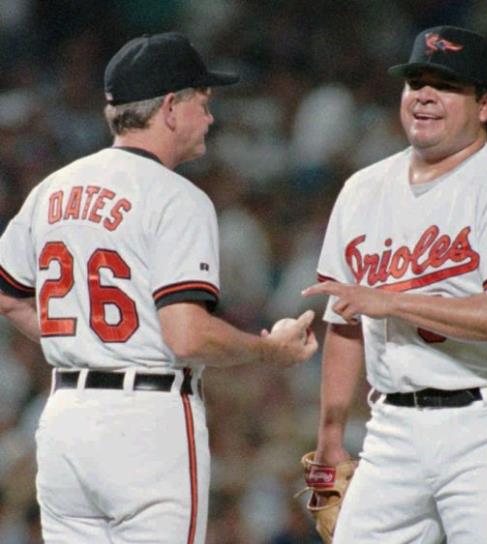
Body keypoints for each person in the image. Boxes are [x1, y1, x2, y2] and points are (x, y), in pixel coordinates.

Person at [0, 31, 317, 544]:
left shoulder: (52, 189)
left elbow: (8, 294)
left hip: (64, 421)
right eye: (203, 101)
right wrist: (268, 350)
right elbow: (187, 336)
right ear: (170, 107)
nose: (210, 116)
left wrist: (79, 337)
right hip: (147, 421)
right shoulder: (177, 198)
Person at [302, 26, 487, 544]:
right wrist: (330, 437)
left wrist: (390, 300)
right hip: (393, 425)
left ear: (486, 104)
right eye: (415, 81)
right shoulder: (362, 189)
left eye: (446, 85)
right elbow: (345, 323)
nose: (424, 95)